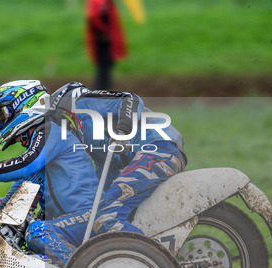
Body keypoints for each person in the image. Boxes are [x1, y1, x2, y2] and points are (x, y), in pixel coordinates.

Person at [0, 80, 100, 265]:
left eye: (2, 114)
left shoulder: (52, 130)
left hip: (90, 216)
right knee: (18, 241)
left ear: (25, 105)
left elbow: (25, 165)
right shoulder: (39, 156)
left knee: (37, 232)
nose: (1, 121)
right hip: (72, 222)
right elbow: (6, 207)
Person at [50, 82, 188, 235]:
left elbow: (131, 99)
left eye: (57, 121)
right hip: (160, 152)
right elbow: (108, 173)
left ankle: (145, 256)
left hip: (157, 148)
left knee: (106, 216)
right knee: (108, 211)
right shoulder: (94, 142)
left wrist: (123, 131)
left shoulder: (83, 102)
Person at [86, 0, 127, 89]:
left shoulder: (105, 3)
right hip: (103, 42)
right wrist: (104, 31)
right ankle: (100, 93)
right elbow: (94, 17)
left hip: (106, 40)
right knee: (103, 69)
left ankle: (102, 92)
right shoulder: (100, 3)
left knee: (106, 67)